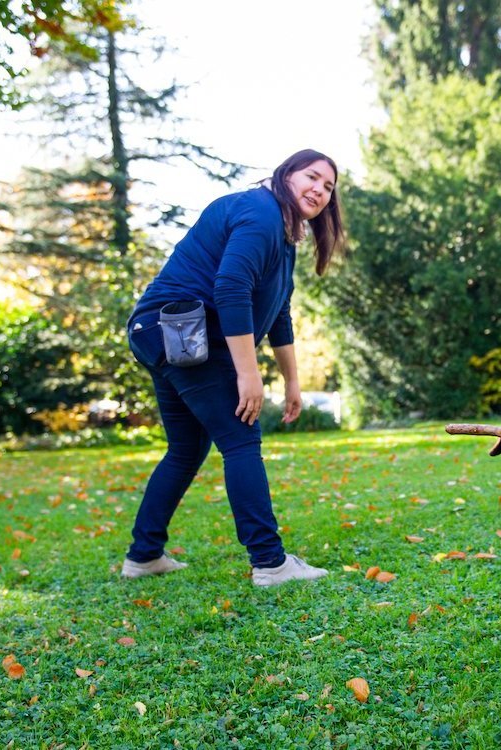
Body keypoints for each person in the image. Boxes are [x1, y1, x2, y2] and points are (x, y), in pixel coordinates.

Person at [122, 149, 345, 586]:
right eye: (312, 177)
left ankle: (144, 555)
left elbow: (279, 314)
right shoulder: (259, 212)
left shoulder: (282, 236)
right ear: (286, 174)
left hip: (164, 334)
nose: (319, 190)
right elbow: (230, 289)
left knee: (186, 450)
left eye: (329, 186)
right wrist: (249, 373)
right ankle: (269, 562)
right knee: (241, 441)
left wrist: (293, 381)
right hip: (182, 333)